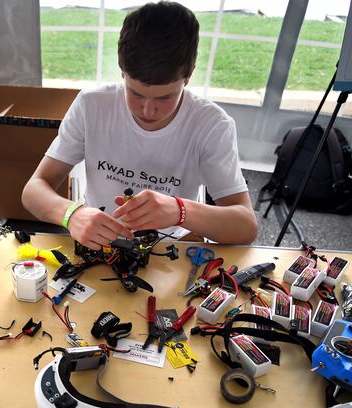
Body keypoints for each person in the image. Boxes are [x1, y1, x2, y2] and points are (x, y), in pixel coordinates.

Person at [22, 1, 258, 247]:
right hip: (98, 240)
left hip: (171, 248)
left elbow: (245, 226)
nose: (148, 110)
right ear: (122, 72)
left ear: (188, 77)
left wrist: (180, 211)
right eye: (135, 93)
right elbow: (34, 190)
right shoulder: (92, 105)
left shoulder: (212, 125)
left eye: (164, 97)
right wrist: (72, 214)